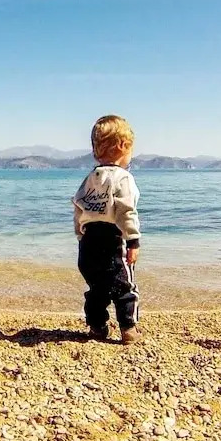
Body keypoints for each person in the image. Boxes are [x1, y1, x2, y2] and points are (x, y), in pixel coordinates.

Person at [72, 114, 142, 344]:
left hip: (88, 242)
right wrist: (133, 241)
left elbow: (78, 206)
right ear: (122, 146)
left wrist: (79, 233)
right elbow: (126, 211)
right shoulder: (123, 178)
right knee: (125, 286)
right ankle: (128, 329)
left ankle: (97, 327)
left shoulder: (91, 178)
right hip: (113, 239)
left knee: (97, 289)